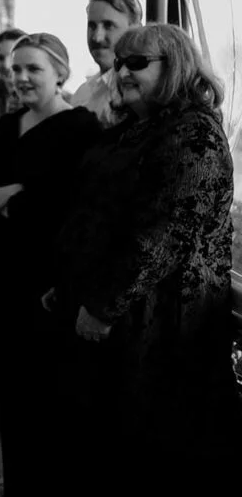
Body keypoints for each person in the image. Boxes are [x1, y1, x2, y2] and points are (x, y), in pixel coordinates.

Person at [52, 24, 242, 494]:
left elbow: (164, 235)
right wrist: (70, 283)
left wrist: (103, 305)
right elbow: (93, 214)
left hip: (159, 328)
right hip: (113, 317)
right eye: (120, 62)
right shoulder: (133, 130)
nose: (122, 71)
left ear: (175, 67)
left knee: (146, 458)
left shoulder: (195, 135)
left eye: (137, 62)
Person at [0, 33, 100, 496]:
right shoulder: (6, 126)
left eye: (32, 68)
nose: (20, 77)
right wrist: (19, 194)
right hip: (1, 283)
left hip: (47, 291)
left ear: (60, 72)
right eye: (15, 69)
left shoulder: (81, 129)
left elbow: (69, 208)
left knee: (51, 405)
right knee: (12, 402)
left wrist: (9, 200)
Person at [70, 0, 142, 127]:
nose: (97, 37)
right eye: (92, 26)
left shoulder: (142, 92)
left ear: (135, 29)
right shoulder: (82, 95)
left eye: (108, 25)